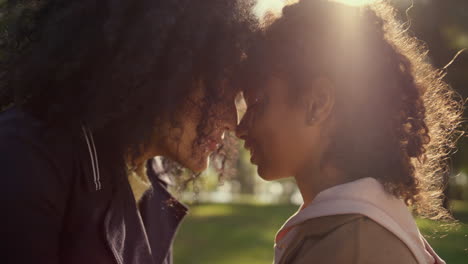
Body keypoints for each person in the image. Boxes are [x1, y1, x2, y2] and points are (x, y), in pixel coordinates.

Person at [0, 0, 256, 263]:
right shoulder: (26, 154)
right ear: (161, 70)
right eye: (216, 94)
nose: (232, 122)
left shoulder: (155, 185)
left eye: (234, 98)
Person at [236, 0, 462, 263]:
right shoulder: (347, 229)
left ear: (317, 104)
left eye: (257, 104)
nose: (240, 129)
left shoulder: (356, 248)